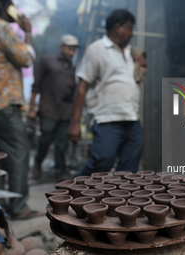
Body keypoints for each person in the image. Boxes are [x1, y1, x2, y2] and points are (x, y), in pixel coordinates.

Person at [0, 0, 43, 220]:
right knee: (19, 152)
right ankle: (19, 207)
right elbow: (26, 58)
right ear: (4, 7)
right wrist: (28, 33)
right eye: (12, 5)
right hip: (4, 104)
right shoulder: (1, 28)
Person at [68, 9, 147, 176]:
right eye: (130, 28)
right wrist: (75, 122)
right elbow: (82, 86)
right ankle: (71, 191)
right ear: (118, 27)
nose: (132, 33)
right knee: (103, 160)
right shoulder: (96, 49)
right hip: (107, 118)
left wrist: (141, 66)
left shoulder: (131, 52)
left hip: (132, 118)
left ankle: (122, 201)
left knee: (129, 169)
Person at [28, 35, 79, 180]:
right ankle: (38, 163)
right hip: (48, 109)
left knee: (62, 143)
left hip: (66, 111)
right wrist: (32, 108)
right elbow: (35, 85)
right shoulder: (47, 61)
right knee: (45, 139)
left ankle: (60, 171)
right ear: (62, 47)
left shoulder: (72, 68)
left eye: (74, 50)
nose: (72, 52)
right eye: (69, 49)